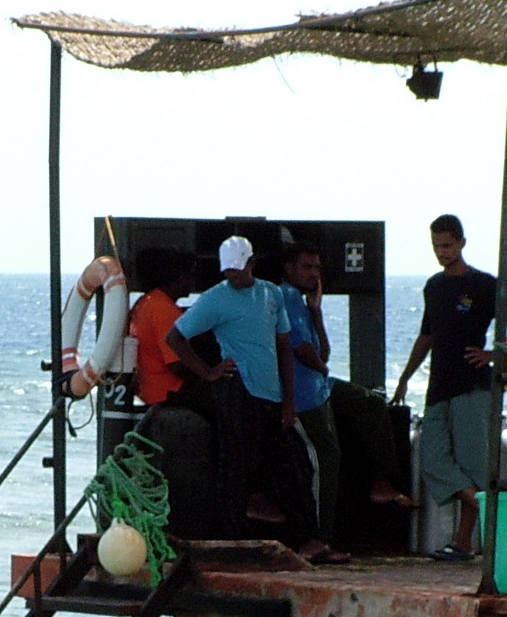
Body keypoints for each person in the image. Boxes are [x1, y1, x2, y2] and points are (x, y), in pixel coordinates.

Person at [164, 235, 345, 563]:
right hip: (238, 389)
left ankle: (309, 541)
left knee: (295, 464)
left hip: (271, 393)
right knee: (236, 466)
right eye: (228, 269)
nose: (232, 274)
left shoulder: (271, 294)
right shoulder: (216, 299)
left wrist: (289, 401)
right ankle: (230, 544)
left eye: (238, 268)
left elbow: (284, 348)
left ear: (252, 264)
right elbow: (175, 337)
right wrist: (208, 372)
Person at [391, 215, 507, 562]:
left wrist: (497, 353)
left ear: (460, 243)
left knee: (474, 465)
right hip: (439, 386)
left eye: (447, 245)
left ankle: (464, 542)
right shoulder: (433, 286)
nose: (442, 252)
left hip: (473, 385)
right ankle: (499, 520)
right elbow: (426, 335)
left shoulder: (484, 284)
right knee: (433, 460)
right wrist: (405, 377)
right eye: (436, 246)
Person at [279, 241, 415, 544]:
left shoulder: (302, 304)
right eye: (307, 267)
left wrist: (316, 313)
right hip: (303, 393)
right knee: (327, 457)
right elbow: (301, 350)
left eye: (317, 268)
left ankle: (382, 481)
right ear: (289, 269)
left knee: (370, 403)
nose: (314, 274)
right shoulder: (284, 298)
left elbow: (322, 353)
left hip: (320, 386)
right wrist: (321, 368)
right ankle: (319, 537)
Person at [129, 247, 234, 419]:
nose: (193, 281)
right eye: (190, 275)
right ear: (179, 278)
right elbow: (177, 366)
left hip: (149, 391)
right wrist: (210, 372)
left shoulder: (145, 302)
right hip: (169, 393)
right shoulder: (165, 310)